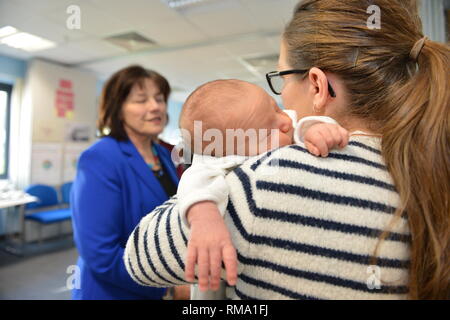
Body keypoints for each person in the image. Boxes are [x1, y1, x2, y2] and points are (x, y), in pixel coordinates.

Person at [124, 0, 449, 299]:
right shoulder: (434, 165)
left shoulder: (260, 185)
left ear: (318, 86)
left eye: (282, 76)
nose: (283, 102)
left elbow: (138, 258)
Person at [175, 79, 349, 299]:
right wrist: (204, 220)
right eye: (268, 132)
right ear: (230, 153)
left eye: (275, 107)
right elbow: (194, 183)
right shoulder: (216, 162)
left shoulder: (284, 124)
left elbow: (302, 125)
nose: (285, 120)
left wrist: (319, 131)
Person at [71, 65, 186, 299]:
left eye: (159, 99)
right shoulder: (100, 158)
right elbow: (100, 254)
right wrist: (167, 288)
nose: (155, 106)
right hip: (113, 291)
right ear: (118, 108)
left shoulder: (162, 154)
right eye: (141, 100)